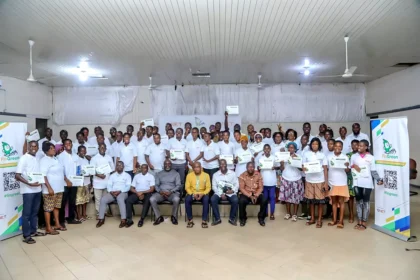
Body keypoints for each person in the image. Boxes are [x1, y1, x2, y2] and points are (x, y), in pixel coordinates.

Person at [16, 139, 44, 244]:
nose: (33, 148)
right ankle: (26, 235)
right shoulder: (24, 158)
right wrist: (29, 183)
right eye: (31, 146)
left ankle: (33, 231)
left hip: (37, 189)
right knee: (27, 213)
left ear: (37, 147)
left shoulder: (37, 158)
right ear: (28, 147)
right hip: (28, 190)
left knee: (34, 213)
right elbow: (17, 175)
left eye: (35, 146)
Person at [351, 139, 383, 231]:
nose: (359, 147)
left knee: (365, 202)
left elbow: (373, 171)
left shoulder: (371, 158)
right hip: (356, 182)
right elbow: (350, 167)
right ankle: (359, 221)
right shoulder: (354, 156)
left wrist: (378, 179)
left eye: (361, 146)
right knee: (358, 202)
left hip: (367, 183)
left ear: (366, 147)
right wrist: (354, 167)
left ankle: (364, 222)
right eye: (358, 146)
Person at [96, 161, 131, 228]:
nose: (119, 166)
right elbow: (109, 186)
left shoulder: (127, 175)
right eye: (117, 165)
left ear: (123, 167)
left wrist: (120, 191)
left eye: (120, 165)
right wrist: (111, 191)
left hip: (123, 192)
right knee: (103, 199)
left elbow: (128, 187)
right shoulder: (112, 176)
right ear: (116, 167)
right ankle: (101, 219)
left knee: (120, 199)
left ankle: (123, 220)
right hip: (113, 193)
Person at [303, 137, 328, 228]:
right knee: (311, 201)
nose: (314, 145)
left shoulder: (322, 155)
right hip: (309, 180)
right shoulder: (306, 154)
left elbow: (325, 169)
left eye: (316, 144)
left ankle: (319, 219)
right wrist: (304, 168)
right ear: (311, 145)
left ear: (319, 145)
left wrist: (326, 182)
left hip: (320, 180)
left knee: (320, 201)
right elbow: (303, 166)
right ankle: (312, 218)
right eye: (313, 144)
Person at [40, 142, 64, 235]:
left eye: (54, 148)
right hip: (50, 189)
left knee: (56, 207)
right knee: (48, 208)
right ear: (46, 151)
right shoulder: (44, 161)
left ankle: (57, 224)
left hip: (59, 188)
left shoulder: (55, 159)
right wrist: (49, 188)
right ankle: (48, 228)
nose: (54, 149)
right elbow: (43, 176)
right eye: (51, 148)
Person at [327, 140, 350, 228]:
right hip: (332, 182)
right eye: (336, 146)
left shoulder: (345, 157)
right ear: (333, 147)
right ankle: (334, 220)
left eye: (339, 146)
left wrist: (347, 166)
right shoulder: (329, 156)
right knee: (333, 202)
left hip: (342, 182)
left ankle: (341, 221)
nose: (337, 147)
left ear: (342, 148)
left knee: (341, 201)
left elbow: (347, 170)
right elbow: (327, 169)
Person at [150, 159, 181, 225]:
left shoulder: (176, 173)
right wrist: (160, 191)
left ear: (171, 165)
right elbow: (156, 185)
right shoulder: (159, 173)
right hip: (161, 193)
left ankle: (173, 217)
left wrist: (171, 191)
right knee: (152, 199)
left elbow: (178, 185)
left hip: (172, 193)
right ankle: (158, 217)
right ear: (163, 165)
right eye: (165, 164)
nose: (167, 165)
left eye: (169, 164)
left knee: (176, 199)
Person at [58, 139, 81, 226]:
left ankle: (71, 219)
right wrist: (67, 181)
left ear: (72, 144)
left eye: (70, 143)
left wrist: (79, 178)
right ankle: (61, 221)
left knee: (72, 201)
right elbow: (60, 171)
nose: (68, 144)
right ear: (63, 145)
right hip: (65, 183)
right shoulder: (61, 156)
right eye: (66, 143)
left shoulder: (75, 156)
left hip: (74, 183)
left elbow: (78, 168)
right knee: (63, 202)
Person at [280, 142, 304, 222]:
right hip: (286, 178)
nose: (291, 149)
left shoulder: (299, 156)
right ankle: (288, 213)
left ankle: (294, 214)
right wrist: (282, 163)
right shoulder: (285, 156)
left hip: (296, 179)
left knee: (296, 198)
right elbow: (282, 169)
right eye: (289, 147)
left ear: (295, 149)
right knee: (287, 197)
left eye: (292, 148)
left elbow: (301, 169)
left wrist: (295, 161)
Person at [238, 162, 268, 227]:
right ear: (246, 168)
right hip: (246, 193)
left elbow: (261, 187)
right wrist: (250, 196)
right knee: (241, 201)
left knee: (264, 199)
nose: (250, 168)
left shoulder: (258, 175)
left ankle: (261, 218)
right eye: (249, 167)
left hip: (256, 193)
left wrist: (256, 195)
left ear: (254, 168)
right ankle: (243, 219)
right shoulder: (242, 175)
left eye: (252, 167)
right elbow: (242, 188)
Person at [210, 159, 239, 226]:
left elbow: (236, 184)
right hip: (219, 193)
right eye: (221, 164)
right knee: (213, 199)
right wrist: (221, 194)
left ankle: (231, 219)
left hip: (230, 193)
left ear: (226, 164)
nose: (223, 165)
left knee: (235, 200)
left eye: (224, 164)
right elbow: (214, 186)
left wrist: (232, 190)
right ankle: (217, 219)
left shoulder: (233, 173)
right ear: (219, 165)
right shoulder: (215, 175)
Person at [90, 143, 115, 218]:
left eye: (104, 148)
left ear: (106, 149)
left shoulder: (109, 157)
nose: (102, 149)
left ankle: (105, 212)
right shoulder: (94, 158)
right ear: (98, 149)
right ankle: (98, 213)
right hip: (98, 182)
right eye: (101, 147)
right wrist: (99, 175)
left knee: (105, 198)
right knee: (98, 199)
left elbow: (112, 168)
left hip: (107, 182)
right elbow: (91, 171)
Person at [185, 162, 211, 228]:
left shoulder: (206, 175)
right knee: (187, 199)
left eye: (198, 167)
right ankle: (190, 220)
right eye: (195, 167)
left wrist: (203, 193)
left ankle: (204, 221)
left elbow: (208, 187)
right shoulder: (189, 175)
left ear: (201, 167)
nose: (196, 169)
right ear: (193, 168)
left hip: (203, 193)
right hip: (192, 193)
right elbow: (187, 187)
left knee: (206, 199)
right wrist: (193, 194)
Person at [256, 144, 279, 220]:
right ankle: (265, 212)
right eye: (265, 149)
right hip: (263, 182)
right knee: (265, 198)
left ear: (270, 149)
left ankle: (272, 213)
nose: (266, 150)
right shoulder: (261, 158)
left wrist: (274, 167)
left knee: (272, 198)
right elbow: (257, 168)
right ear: (263, 150)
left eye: (268, 149)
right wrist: (259, 168)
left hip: (272, 181)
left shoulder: (274, 158)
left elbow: (279, 167)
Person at [75, 146, 91, 222]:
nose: (83, 152)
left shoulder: (86, 160)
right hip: (80, 183)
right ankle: (79, 215)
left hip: (87, 182)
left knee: (85, 199)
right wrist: (84, 174)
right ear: (78, 151)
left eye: (84, 151)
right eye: (81, 151)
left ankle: (84, 214)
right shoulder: (76, 159)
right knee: (79, 200)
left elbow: (90, 169)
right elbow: (77, 172)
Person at [346, 139, 359, 223]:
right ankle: (351, 213)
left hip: (359, 179)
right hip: (350, 178)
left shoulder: (362, 155)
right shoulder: (347, 155)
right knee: (350, 197)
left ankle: (360, 214)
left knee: (359, 197)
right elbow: (346, 169)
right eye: (353, 145)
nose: (354, 146)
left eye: (356, 145)